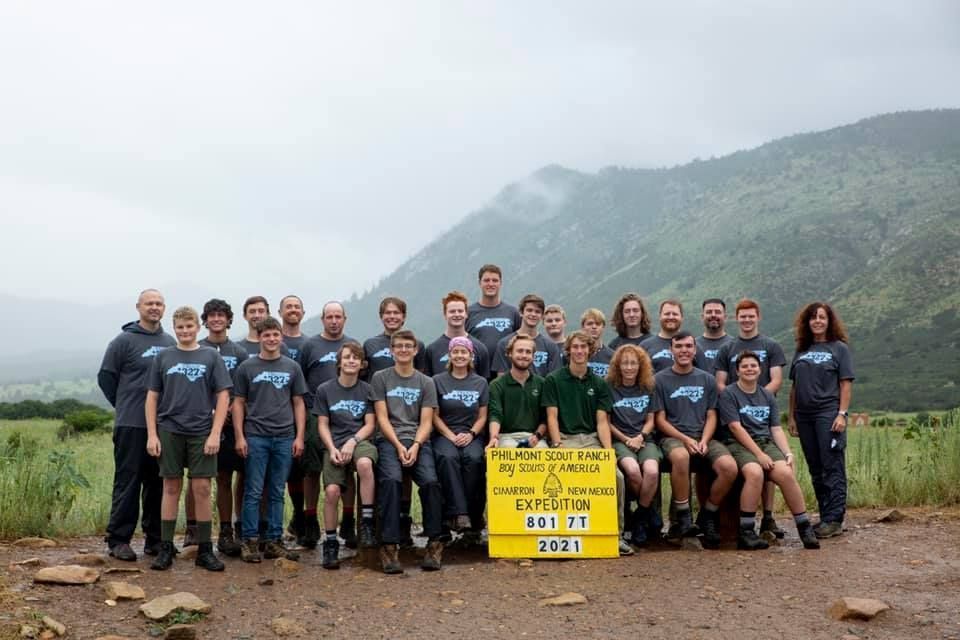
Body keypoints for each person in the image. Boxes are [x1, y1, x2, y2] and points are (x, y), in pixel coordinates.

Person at [145, 306, 232, 571]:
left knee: (202, 488)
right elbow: (152, 396)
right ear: (175, 329)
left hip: (201, 430)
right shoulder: (164, 357)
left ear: (198, 327)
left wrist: (216, 433)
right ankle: (166, 547)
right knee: (171, 487)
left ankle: (205, 549)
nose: (185, 331)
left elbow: (224, 395)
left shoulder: (210, 356)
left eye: (189, 326)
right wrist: (152, 434)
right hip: (169, 429)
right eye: (180, 327)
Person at [98, 289, 176, 561]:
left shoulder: (169, 341)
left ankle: (155, 540)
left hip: (163, 425)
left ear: (164, 308)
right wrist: (124, 404)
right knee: (128, 482)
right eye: (149, 303)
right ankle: (119, 539)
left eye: (159, 303)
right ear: (138, 307)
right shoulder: (123, 341)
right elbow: (106, 377)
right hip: (131, 424)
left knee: (157, 483)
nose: (154, 307)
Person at [718, 351, 819, 550]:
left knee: (785, 473)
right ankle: (746, 531)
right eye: (745, 366)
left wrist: (787, 452)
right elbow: (735, 428)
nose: (749, 369)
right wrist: (759, 455)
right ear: (737, 371)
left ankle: (804, 526)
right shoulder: (729, 393)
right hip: (739, 443)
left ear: (760, 369)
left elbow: (775, 428)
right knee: (755, 473)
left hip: (765, 442)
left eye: (753, 366)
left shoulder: (767, 395)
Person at [541, 331, 630, 556]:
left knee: (616, 477)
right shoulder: (553, 379)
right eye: (575, 347)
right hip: (565, 438)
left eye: (583, 347)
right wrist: (558, 444)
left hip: (590, 440)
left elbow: (602, 421)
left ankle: (616, 535)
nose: (579, 351)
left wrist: (608, 453)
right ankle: (566, 536)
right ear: (568, 350)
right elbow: (551, 416)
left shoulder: (599, 383)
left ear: (589, 351)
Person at [232, 317, 306, 563]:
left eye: (275, 335)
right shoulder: (247, 367)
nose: (272, 339)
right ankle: (249, 540)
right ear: (260, 337)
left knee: (276, 491)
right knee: (253, 491)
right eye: (267, 335)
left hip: (285, 436)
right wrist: (240, 436)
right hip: (256, 436)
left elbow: (298, 402)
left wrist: (300, 436)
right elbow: (239, 403)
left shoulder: (291, 367)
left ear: (281, 337)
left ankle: (274, 540)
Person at [653, 331, 736, 550]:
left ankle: (707, 514)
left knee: (729, 467)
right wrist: (685, 439)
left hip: (703, 437)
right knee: (680, 457)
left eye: (689, 346)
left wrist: (705, 440)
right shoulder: (659, 379)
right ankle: (684, 518)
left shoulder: (706, 379)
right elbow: (660, 420)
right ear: (671, 350)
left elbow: (712, 415)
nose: (684, 350)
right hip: (672, 437)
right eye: (679, 346)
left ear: (694, 349)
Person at [372, 330, 445, 573]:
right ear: (391, 351)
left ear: (415, 350)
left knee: (431, 483)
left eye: (408, 346)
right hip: (389, 440)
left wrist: (415, 445)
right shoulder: (380, 378)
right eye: (398, 346)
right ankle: (389, 546)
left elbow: (426, 421)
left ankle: (435, 544)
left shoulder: (426, 382)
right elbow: (382, 418)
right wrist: (398, 445)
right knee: (391, 481)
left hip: (418, 441)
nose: (403, 350)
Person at [714, 299, 788, 539]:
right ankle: (741, 522)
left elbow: (776, 379)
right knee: (752, 466)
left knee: (771, 466)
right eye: (742, 316)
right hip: (736, 416)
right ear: (736, 319)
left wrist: (757, 398)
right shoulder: (728, 347)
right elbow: (720, 383)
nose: (746, 320)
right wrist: (738, 402)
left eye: (751, 316)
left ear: (758, 317)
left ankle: (768, 517)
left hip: (763, 416)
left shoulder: (771, 345)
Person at [788, 302, 855, 539]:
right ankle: (825, 516)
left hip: (828, 414)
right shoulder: (801, 349)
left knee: (832, 465)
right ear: (807, 322)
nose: (817, 321)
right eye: (813, 318)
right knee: (815, 467)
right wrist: (793, 416)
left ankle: (834, 519)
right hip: (804, 417)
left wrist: (842, 414)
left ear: (829, 321)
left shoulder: (839, 349)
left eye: (822, 317)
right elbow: (794, 386)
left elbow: (845, 383)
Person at [298, 301, 359, 549]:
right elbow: (299, 382)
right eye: (329, 317)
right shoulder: (309, 345)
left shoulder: (353, 345)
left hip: (348, 414)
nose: (334, 321)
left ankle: (348, 520)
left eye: (338, 316)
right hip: (316, 414)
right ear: (322, 319)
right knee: (312, 470)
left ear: (345, 319)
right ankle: (310, 519)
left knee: (348, 467)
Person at [314, 342, 379, 569]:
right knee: (331, 492)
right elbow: (322, 424)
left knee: (363, 464)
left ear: (362, 364)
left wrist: (353, 442)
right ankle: (330, 543)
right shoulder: (325, 390)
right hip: (334, 444)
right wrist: (332, 448)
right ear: (339, 362)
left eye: (356, 358)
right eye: (347, 357)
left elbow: (371, 424)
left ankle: (367, 522)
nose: (351, 361)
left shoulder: (368, 389)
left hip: (360, 441)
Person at [194, 299, 248, 556]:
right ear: (205, 320)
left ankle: (238, 528)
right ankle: (212, 530)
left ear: (228, 320)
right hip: (203, 420)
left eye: (221, 315)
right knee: (212, 477)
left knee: (241, 476)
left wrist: (229, 410)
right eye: (211, 315)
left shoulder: (238, 352)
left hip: (234, 420)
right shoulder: (197, 348)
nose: (216, 319)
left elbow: (244, 388)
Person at [432, 337, 489, 540]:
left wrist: (472, 434)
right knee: (448, 459)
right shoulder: (437, 381)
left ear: (470, 355)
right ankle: (459, 514)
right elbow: (434, 415)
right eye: (455, 352)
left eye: (463, 352)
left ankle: (471, 515)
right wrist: (450, 435)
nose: (459, 355)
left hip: (472, 434)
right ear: (449, 355)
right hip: (445, 433)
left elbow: (483, 416)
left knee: (474, 460)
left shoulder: (480, 382)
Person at [606, 344, 662, 547]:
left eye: (633, 363)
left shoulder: (647, 387)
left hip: (644, 439)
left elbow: (651, 419)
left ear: (641, 366)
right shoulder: (610, 388)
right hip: (620, 440)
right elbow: (607, 422)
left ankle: (639, 517)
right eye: (625, 363)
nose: (629, 367)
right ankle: (649, 512)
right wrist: (626, 439)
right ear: (618, 366)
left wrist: (641, 436)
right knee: (632, 471)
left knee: (652, 472)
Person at [278, 294, 308, 545]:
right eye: (288, 307)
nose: (293, 310)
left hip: (303, 413)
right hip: (275, 414)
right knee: (285, 473)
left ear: (303, 312)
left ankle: (301, 517)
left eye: (297, 307)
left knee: (303, 470)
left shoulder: (310, 344)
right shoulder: (272, 338)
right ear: (280, 312)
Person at [487, 335, 548, 449]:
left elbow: (546, 417)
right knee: (510, 451)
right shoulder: (497, 384)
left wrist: (537, 436)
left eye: (528, 352)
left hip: (535, 437)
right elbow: (495, 415)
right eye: (520, 351)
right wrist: (494, 438)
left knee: (542, 451)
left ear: (533, 356)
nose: (524, 355)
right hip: (506, 437)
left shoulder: (542, 383)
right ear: (510, 353)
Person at [491, 294, 561, 377]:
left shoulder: (550, 346)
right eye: (529, 310)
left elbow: (553, 379)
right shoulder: (505, 343)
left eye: (537, 311)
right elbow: (501, 378)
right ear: (521, 312)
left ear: (542, 316)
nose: (533, 314)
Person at [466, 264, 521, 369]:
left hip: (506, 372)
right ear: (479, 283)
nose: (491, 284)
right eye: (486, 280)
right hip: (477, 372)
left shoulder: (513, 312)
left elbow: (521, 341)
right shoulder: (468, 313)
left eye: (495, 280)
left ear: (500, 283)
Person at [424, 291, 491, 377]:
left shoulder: (480, 349)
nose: (456, 314)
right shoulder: (432, 350)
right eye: (452, 311)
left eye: (460, 311)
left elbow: (484, 383)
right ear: (445, 314)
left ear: (466, 314)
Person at [363, 296, 426, 378]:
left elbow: (421, 376)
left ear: (403, 317)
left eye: (396, 313)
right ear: (381, 316)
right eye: (388, 313)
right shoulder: (369, 345)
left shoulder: (417, 345)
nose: (392, 316)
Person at [640, 300, 705, 373]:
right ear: (660, 316)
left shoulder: (693, 346)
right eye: (667, 314)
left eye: (675, 314)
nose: (671, 317)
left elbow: (702, 377)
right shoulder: (645, 346)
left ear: (682, 317)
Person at [695, 298, 733, 374]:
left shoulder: (734, 345)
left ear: (725, 317)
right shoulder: (693, 345)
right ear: (702, 317)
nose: (713, 315)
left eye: (718, 312)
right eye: (709, 312)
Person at [580, 308, 615, 377]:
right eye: (590, 324)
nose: (594, 327)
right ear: (583, 327)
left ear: (603, 327)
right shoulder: (576, 354)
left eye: (598, 324)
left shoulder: (613, 356)